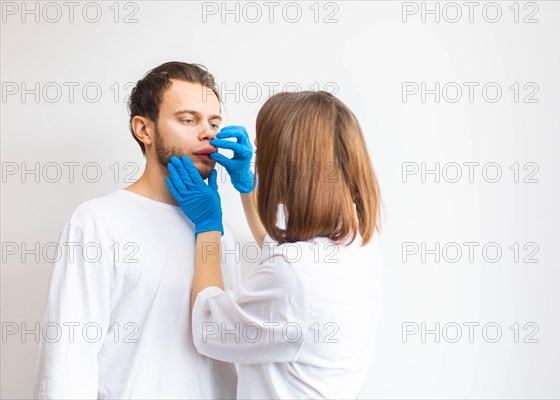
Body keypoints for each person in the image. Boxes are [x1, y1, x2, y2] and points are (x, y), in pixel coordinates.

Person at [33, 61, 241, 399]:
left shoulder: (218, 232)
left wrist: (251, 193)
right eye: (189, 120)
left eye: (214, 122)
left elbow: (232, 340)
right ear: (143, 129)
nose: (208, 133)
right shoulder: (98, 223)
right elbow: (67, 363)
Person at [166, 90, 383, 399]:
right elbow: (281, 248)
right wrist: (246, 186)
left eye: (263, 149)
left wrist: (208, 227)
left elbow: (209, 326)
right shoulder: (359, 239)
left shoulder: (293, 274)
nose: (257, 152)